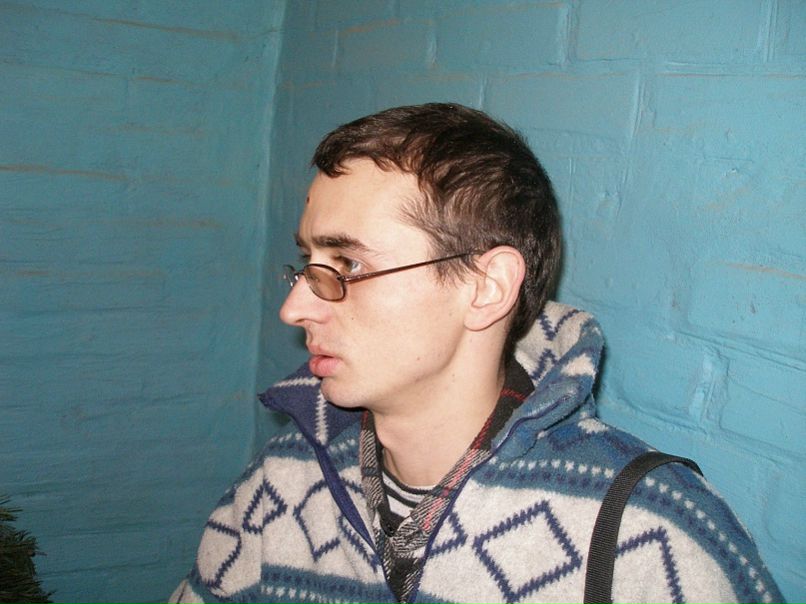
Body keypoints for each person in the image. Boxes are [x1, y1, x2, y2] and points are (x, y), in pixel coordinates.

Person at [170, 103, 783, 604]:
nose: (294, 308)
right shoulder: (282, 480)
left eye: (348, 264)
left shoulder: (647, 536)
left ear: (485, 288)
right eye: (309, 263)